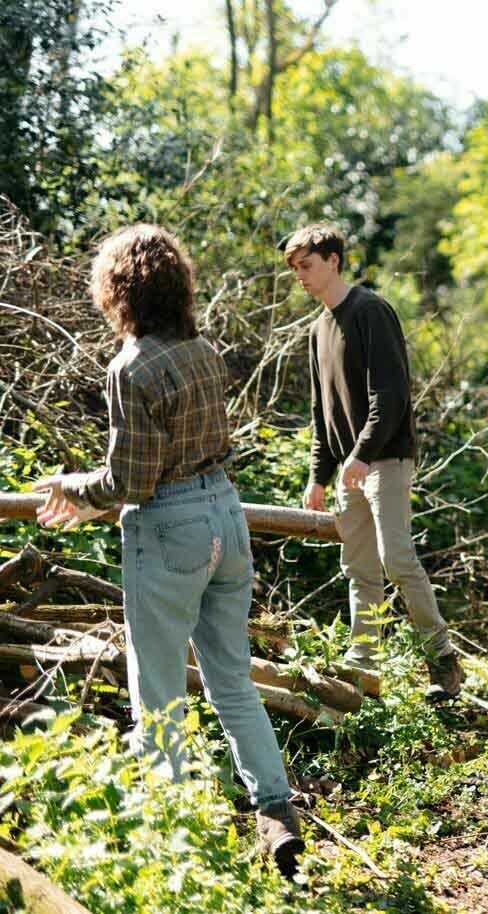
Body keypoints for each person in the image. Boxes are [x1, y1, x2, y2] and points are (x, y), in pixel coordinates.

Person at [32, 224, 306, 876]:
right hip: (227, 516)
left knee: (157, 692)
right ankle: (275, 813)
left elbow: (131, 482)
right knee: (233, 684)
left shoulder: (131, 368)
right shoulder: (203, 352)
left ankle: (173, 836)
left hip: (172, 528)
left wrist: (71, 486)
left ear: (116, 290)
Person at [284, 224, 462, 699]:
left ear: (334, 260)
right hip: (349, 468)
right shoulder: (317, 330)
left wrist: (361, 455)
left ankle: (442, 660)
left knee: (397, 560)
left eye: (307, 265)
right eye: (295, 268)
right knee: (359, 568)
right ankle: (363, 670)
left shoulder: (370, 311)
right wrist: (317, 477)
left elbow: (391, 394)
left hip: (385, 459)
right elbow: (322, 415)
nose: (300, 275)